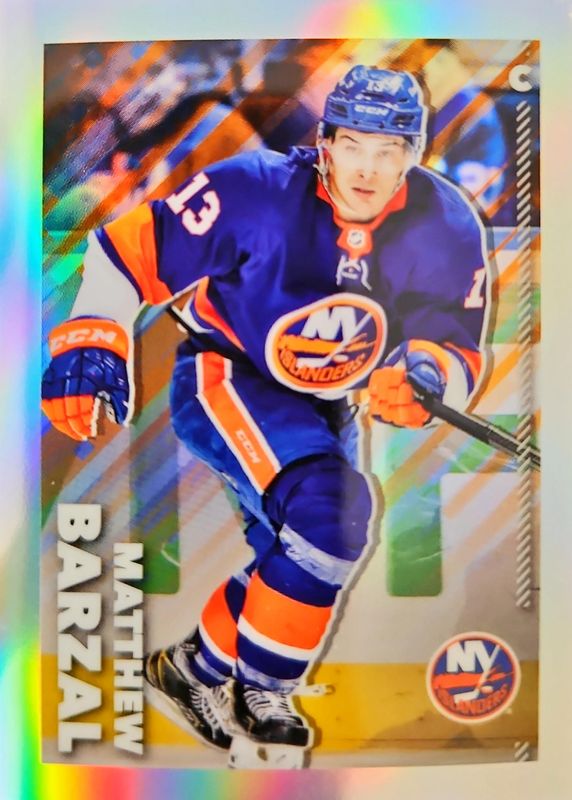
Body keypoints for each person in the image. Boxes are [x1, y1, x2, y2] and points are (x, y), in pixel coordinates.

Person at [41, 65, 490, 767]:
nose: (368, 169)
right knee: (330, 516)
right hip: (228, 374)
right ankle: (264, 692)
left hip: (329, 402)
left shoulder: (445, 220)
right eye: (354, 145)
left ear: (414, 153)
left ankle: (191, 669)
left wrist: (430, 374)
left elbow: (455, 335)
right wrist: (91, 339)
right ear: (326, 141)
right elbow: (124, 253)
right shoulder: (254, 189)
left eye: (389, 150)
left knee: (313, 550)